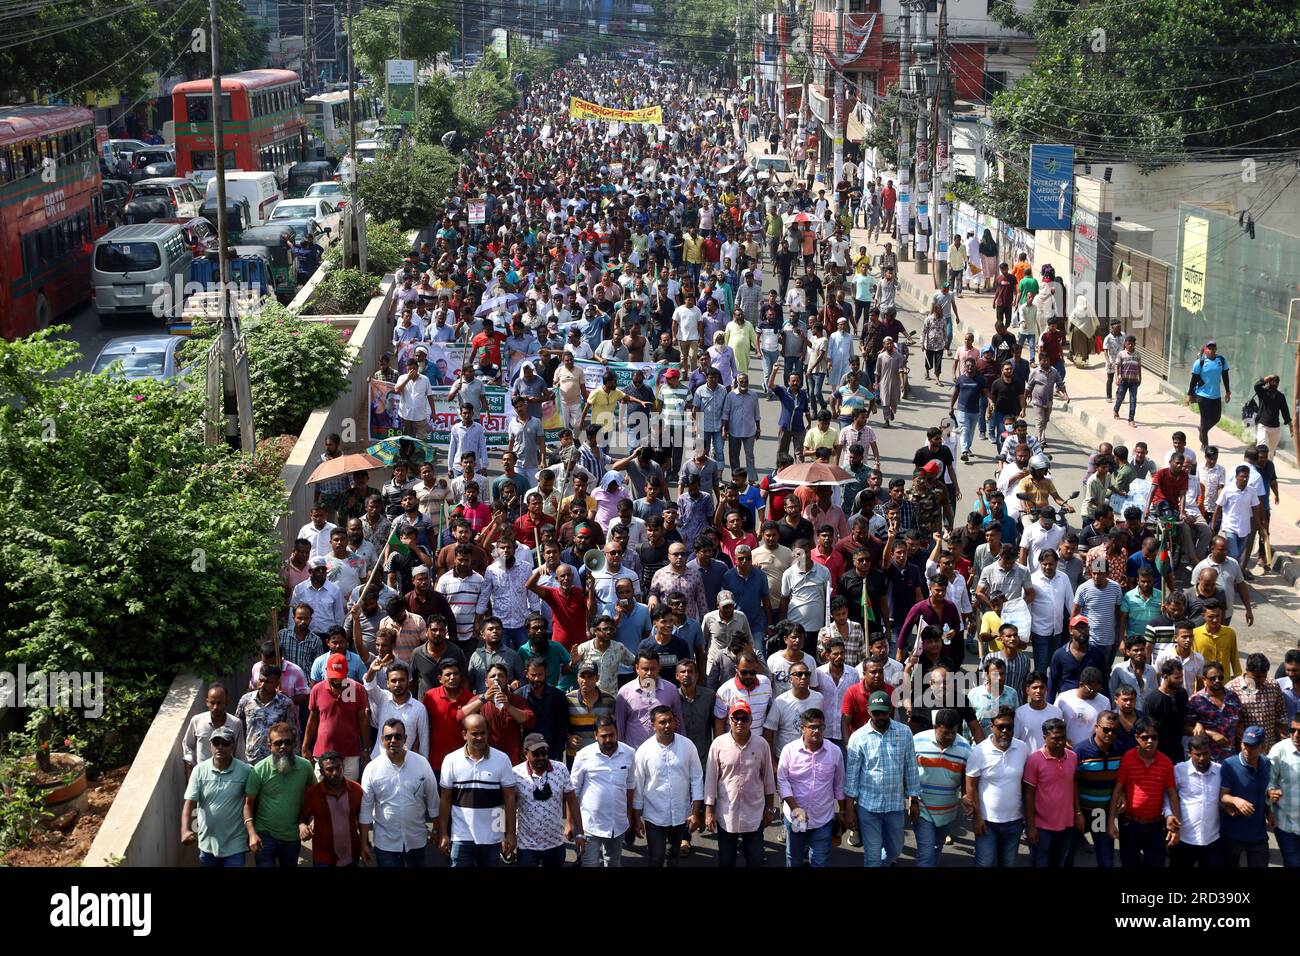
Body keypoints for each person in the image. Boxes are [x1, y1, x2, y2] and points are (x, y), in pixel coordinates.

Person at [844, 689, 920, 868]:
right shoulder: (858, 737)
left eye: (883, 712)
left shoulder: (904, 732)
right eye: (875, 712)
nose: (879, 716)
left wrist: (914, 800)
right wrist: (849, 809)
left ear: (891, 710)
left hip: (895, 805)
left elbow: (911, 767)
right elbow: (852, 777)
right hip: (868, 807)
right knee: (872, 856)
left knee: (895, 850)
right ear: (869, 710)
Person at [437, 713, 517, 867]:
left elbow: (509, 799)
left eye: (483, 733)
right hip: (461, 836)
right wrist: (443, 833)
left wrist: (510, 834)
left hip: (493, 837)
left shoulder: (502, 759)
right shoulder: (451, 760)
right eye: (474, 734)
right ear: (464, 735)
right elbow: (445, 799)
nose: (479, 738)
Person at [704, 700, 776, 867]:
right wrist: (708, 812)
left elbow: (768, 781)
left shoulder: (761, 744)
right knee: (727, 861)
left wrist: (770, 808)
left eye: (744, 718)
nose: (740, 722)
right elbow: (710, 780)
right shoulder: (718, 744)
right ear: (730, 720)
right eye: (736, 718)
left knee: (755, 860)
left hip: (754, 813)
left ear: (751, 721)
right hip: (726, 814)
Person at [359, 718, 440, 867]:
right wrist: (364, 842)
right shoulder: (372, 769)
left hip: (416, 839)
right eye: (388, 737)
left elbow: (433, 799)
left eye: (398, 736)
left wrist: (436, 829)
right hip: (386, 843)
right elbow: (365, 809)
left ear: (405, 739)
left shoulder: (421, 763)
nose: (393, 740)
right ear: (382, 740)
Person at [631, 705, 704, 867]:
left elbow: (697, 779)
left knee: (674, 857)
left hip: (680, 814)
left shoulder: (687, 746)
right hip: (654, 817)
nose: (667, 725)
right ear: (653, 725)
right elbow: (638, 786)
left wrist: (695, 813)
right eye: (662, 722)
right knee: (656, 858)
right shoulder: (644, 751)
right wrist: (636, 819)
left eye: (670, 721)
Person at [777, 708, 848, 867]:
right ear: (802, 728)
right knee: (794, 859)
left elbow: (839, 784)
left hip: (822, 819)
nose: (816, 731)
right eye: (812, 727)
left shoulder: (834, 752)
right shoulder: (789, 751)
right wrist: (795, 808)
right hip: (796, 820)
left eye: (820, 727)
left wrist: (843, 811)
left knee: (819, 861)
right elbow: (782, 781)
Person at [1108, 716, 1180, 867]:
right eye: (1145, 737)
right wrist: (1111, 822)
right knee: (1129, 863)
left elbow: (1172, 794)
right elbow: (1117, 790)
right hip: (1129, 825)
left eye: (1154, 737)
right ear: (1136, 738)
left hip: (1155, 826)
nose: (1150, 741)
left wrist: (1176, 828)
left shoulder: (1166, 763)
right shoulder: (1127, 759)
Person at [965, 705, 1030, 866]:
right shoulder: (979, 752)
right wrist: (977, 818)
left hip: (1014, 822)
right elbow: (971, 786)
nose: (1005, 731)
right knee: (985, 864)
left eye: (1009, 727)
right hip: (987, 822)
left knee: (1007, 863)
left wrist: (1027, 819)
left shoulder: (1022, 748)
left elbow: (1027, 785)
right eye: (1001, 726)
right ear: (991, 726)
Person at [243, 722, 315, 868]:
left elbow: (315, 797)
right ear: (270, 746)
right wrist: (252, 833)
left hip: (292, 836)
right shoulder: (259, 770)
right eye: (278, 743)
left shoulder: (305, 767)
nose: (283, 746)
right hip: (265, 835)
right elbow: (248, 804)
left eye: (287, 742)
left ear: (294, 744)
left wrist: (311, 820)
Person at [181, 725, 251, 867]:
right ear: (211, 745)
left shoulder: (245, 771)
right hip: (207, 843)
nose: (220, 746)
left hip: (235, 843)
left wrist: (252, 833)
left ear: (232, 746)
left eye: (225, 743)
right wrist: (185, 830)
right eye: (216, 742)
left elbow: (251, 803)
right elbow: (189, 803)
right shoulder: (199, 770)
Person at [911, 709, 972, 868]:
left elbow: (967, 775)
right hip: (922, 808)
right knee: (926, 852)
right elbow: (908, 772)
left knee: (937, 847)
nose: (950, 737)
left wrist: (966, 795)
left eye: (953, 732)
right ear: (935, 726)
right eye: (945, 733)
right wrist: (913, 801)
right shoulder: (917, 741)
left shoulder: (965, 747)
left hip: (948, 810)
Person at [512, 733, 580, 868]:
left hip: (555, 842)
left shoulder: (560, 769)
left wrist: (578, 831)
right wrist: (508, 835)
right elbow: (509, 806)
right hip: (527, 845)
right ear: (526, 754)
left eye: (544, 753)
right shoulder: (515, 774)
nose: (541, 757)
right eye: (536, 754)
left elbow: (572, 800)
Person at [1023, 717, 1078, 867]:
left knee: (1059, 862)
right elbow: (1028, 794)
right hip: (1042, 827)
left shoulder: (1072, 757)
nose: (1060, 742)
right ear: (1044, 738)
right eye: (1055, 739)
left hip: (1066, 824)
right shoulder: (1034, 760)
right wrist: (1030, 827)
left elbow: (1074, 786)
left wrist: (1077, 814)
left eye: (1063, 738)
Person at [1074, 710, 1124, 867]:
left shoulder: (1120, 751)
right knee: (1067, 855)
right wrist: (1077, 813)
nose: (1110, 733)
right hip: (1081, 811)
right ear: (1096, 727)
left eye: (1114, 730)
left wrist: (1123, 794)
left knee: (1106, 858)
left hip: (1100, 815)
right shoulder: (1080, 751)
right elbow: (1073, 784)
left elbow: (1122, 781)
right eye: (1106, 729)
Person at [1169, 735, 1225, 868]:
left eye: (1205, 754)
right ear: (1189, 753)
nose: (1202, 758)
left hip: (1212, 839)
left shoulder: (1220, 771)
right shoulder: (1178, 770)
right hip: (1184, 839)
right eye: (1197, 754)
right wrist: (1168, 814)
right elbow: (1168, 796)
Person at [1267, 714, 1300, 867]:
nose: (1296, 735)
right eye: (1292, 730)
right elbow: (1268, 782)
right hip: (1286, 824)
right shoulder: (1279, 750)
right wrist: (1270, 799)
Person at [1186, 340, 1230, 451]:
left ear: (1216, 349)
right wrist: (1190, 394)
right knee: (1205, 420)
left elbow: (1225, 376)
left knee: (1216, 418)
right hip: (1202, 395)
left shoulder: (1221, 360)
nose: (1211, 350)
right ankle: (1204, 444)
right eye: (1209, 348)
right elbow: (1193, 379)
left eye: (1213, 348)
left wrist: (1228, 391)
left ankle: (1202, 430)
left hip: (1216, 395)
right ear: (1205, 349)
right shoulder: (1200, 362)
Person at [1252, 374, 1291, 456]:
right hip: (1263, 426)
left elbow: (1285, 412)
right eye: (1272, 381)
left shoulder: (1280, 396)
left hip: (1275, 429)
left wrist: (1290, 425)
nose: (1274, 383)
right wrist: (1267, 377)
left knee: (1270, 454)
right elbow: (1256, 386)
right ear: (1269, 382)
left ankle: (1268, 468)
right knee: (1261, 449)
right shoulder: (1263, 392)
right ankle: (1258, 467)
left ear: (1278, 384)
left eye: (1276, 382)